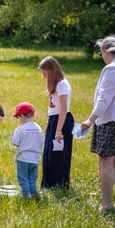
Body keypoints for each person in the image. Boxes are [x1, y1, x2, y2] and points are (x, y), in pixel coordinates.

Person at [79, 34, 115, 213]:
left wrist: (90, 119)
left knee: (105, 163)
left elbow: (105, 98)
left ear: (105, 50)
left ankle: (106, 204)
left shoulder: (112, 69)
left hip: (110, 120)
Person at [37, 56, 75, 189]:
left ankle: (58, 184)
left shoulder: (62, 84)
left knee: (58, 154)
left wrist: (58, 130)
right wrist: (49, 125)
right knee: (48, 153)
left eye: (45, 73)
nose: (44, 76)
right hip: (54, 120)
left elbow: (63, 109)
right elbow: (52, 108)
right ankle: (47, 184)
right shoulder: (55, 84)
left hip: (62, 121)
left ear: (52, 70)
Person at [11, 102, 44, 199]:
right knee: (32, 178)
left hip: (23, 158)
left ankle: (26, 196)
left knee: (23, 178)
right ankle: (33, 194)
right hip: (35, 159)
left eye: (18, 117)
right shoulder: (39, 128)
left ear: (22, 116)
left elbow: (15, 143)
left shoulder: (20, 129)